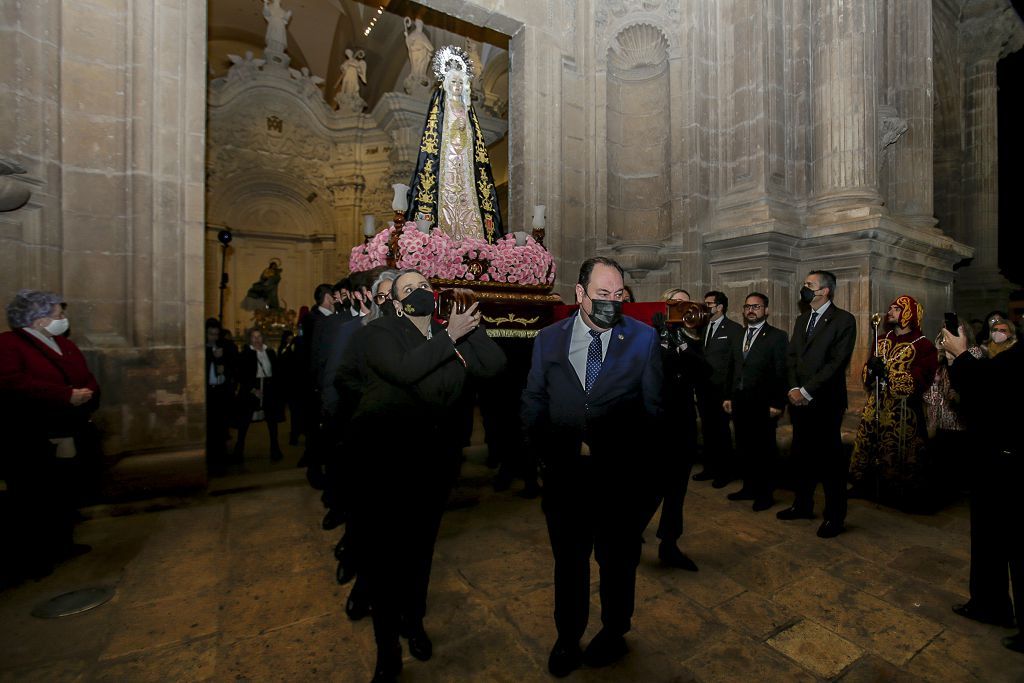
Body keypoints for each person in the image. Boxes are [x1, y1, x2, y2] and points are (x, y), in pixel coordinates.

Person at [349, 268, 505, 682]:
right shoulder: (380, 333)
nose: (419, 291)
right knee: (386, 559)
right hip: (387, 463)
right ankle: (387, 650)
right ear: (396, 303)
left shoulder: (448, 330)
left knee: (420, 551)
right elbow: (405, 371)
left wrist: (473, 327)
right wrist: (450, 336)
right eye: (409, 289)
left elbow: (493, 367)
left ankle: (413, 623)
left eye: (424, 286)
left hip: (433, 464)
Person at [522, 257, 663, 677]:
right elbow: (534, 401)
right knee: (569, 562)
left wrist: (647, 482)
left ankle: (615, 631)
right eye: (602, 295)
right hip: (567, 477)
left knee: (618, 561)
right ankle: (568, 637)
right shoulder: (548, 339)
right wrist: (543, 458)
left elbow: (655, 413)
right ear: (580, 294)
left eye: (618, 296)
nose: (611, 303)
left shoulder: (643, 339)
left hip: (619, 479)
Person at [0, 290, 100, 579]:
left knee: (63, 490)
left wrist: (87, 394)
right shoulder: (9, 345)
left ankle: (62, 544)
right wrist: (65, 395)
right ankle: (35, 558)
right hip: (31, 434)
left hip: (69, 426)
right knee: (33, 496)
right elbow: (11, 383)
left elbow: (85, 375)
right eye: (58, 315)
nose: (62, 319)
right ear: (40, 321)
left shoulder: (63, 344)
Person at [941, 324, 1023, 654]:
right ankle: (988, 604)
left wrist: (961, 355)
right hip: (993, 457)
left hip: (1011, 458)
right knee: (988, 535)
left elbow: (997, 390)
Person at [779, 270, 856, 538]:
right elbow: (790, 357)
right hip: (798, 402)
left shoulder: (844, 320)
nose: (804, 288)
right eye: (804, 285)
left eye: (809, 285)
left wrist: (806, 391)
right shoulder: (802, 320)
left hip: (825, 402)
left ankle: (835, 517)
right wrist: (792, 388)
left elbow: (836, 363)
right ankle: (802, 505)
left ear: (825, 291)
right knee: (802, 456)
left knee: (830, 462)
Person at [405, 45, 504, 243]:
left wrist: (464, 129)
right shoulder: (442, 104)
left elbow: (473, 138)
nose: (457, 86)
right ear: (447, 84)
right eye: (454, 82)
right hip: (447, 161)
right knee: (446, 195)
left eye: (461, 82)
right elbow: (437, 134)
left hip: (465, 163)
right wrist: (453, 129)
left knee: (468, 197)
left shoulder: (467, 109)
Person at [849, 295, 938, 508]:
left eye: (896, 309)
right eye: (890, 308)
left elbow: (923, 376)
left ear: (910, 313)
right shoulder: (881, 338)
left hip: (904, 406)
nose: (890, 311)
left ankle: (900, 491)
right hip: (877, 403)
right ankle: (865, 485)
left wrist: (889, 375)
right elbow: (868, 371)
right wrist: (870, 370)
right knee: (870, 441)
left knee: (902, 448)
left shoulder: (923, 345)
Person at [645, 287, 703, 571]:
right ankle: (628, 534)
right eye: (673, 303)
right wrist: (662, 337)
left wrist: (676, 339)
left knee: (677, 489)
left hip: (683, 424)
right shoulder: (649, 336)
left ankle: (669, 544)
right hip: (657, 424)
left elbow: (702, 371)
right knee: (652, 485)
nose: (680, 307)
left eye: (684, 303)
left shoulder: (694, 336)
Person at [722, 292, 788, 511]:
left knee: (764, 451)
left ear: (766, 311)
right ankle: (748, 488)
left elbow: (781, 372)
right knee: (744, 447)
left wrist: (778, 403)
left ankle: (765, 494)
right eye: (748, 306)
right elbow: (731, 368)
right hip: (740, 403)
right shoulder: (738, 335)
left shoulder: (777, 337)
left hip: (764, 404)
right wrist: (728, 396)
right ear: (743, 310)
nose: (751, 310)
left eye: (757, 307)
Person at [693, 290, 742, 486]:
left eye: (709, 304)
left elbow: (736, 363)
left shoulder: (734, 329)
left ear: (720, 307)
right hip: (704, 390)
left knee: (722, 432)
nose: (705, 307)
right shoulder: (701, 328)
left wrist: (730, 393)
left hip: (722, 391)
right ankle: (709, 468)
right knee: (708, 430)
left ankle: (725, 472)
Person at [233, 328, 284, 462]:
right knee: (244, 422)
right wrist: (252, 389)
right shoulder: (245, 354)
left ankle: (275, 449)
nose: (256, 340)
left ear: (263, 337)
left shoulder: (270, 352)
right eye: (253, 337)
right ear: (250, 339)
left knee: (272, 422)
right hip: (251, 390)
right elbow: (240, 374)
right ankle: (238, 450)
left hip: (269, 389)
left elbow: (277, 371)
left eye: (259, 336)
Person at [205, 317, 237, 467]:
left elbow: (231, 365)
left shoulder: (223, 347)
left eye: (216, 334)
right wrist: (213, 357)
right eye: (211, 334)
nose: (214, 337)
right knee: (211, 428)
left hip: (221, 391)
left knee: (222, 427)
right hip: (209, 393)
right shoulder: (203, 350)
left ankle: (221, 456)